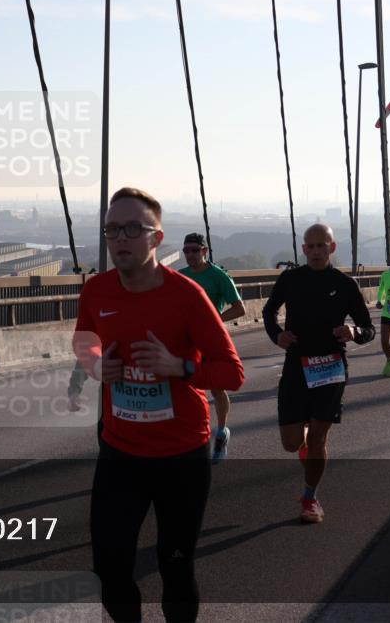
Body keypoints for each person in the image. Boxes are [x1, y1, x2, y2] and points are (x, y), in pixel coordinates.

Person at [74, 187, 244, 622]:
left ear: (156, 238)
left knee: (175, 566)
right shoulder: (96, 291)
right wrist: (97, 367)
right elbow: (84, 342)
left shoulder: (187, 295)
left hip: (181, 456)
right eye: (113, 229)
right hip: (120, 452)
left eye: (133, 228)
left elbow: (231, 373)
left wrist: (180, 366)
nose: (120, 239)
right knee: (109, 570)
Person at [262, 224, 375, 524]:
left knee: (318, 439)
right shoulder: (290, 278)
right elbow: (269, 312)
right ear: (303, 249)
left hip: (331, 367)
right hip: (296, 366)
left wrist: (354, 331)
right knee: (290, 443)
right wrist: (277, 335)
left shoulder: (345, 284)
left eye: (321, 246)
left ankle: (310, 498)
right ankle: (307, 441)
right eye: (309, 246)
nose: (315, 251)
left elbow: (368, 328)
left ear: (332, 248)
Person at [178, 233, 246, 464]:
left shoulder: (218, 276)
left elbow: (240, 309)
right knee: (184, 388)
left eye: (195, 250)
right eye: (186, 250)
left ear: (205, 251)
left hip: (211, 341)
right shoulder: (180, 277)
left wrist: (215, 319)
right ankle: (189, 439)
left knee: (216, 388)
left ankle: (222, 431)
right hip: (187, 343)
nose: (190, 254)